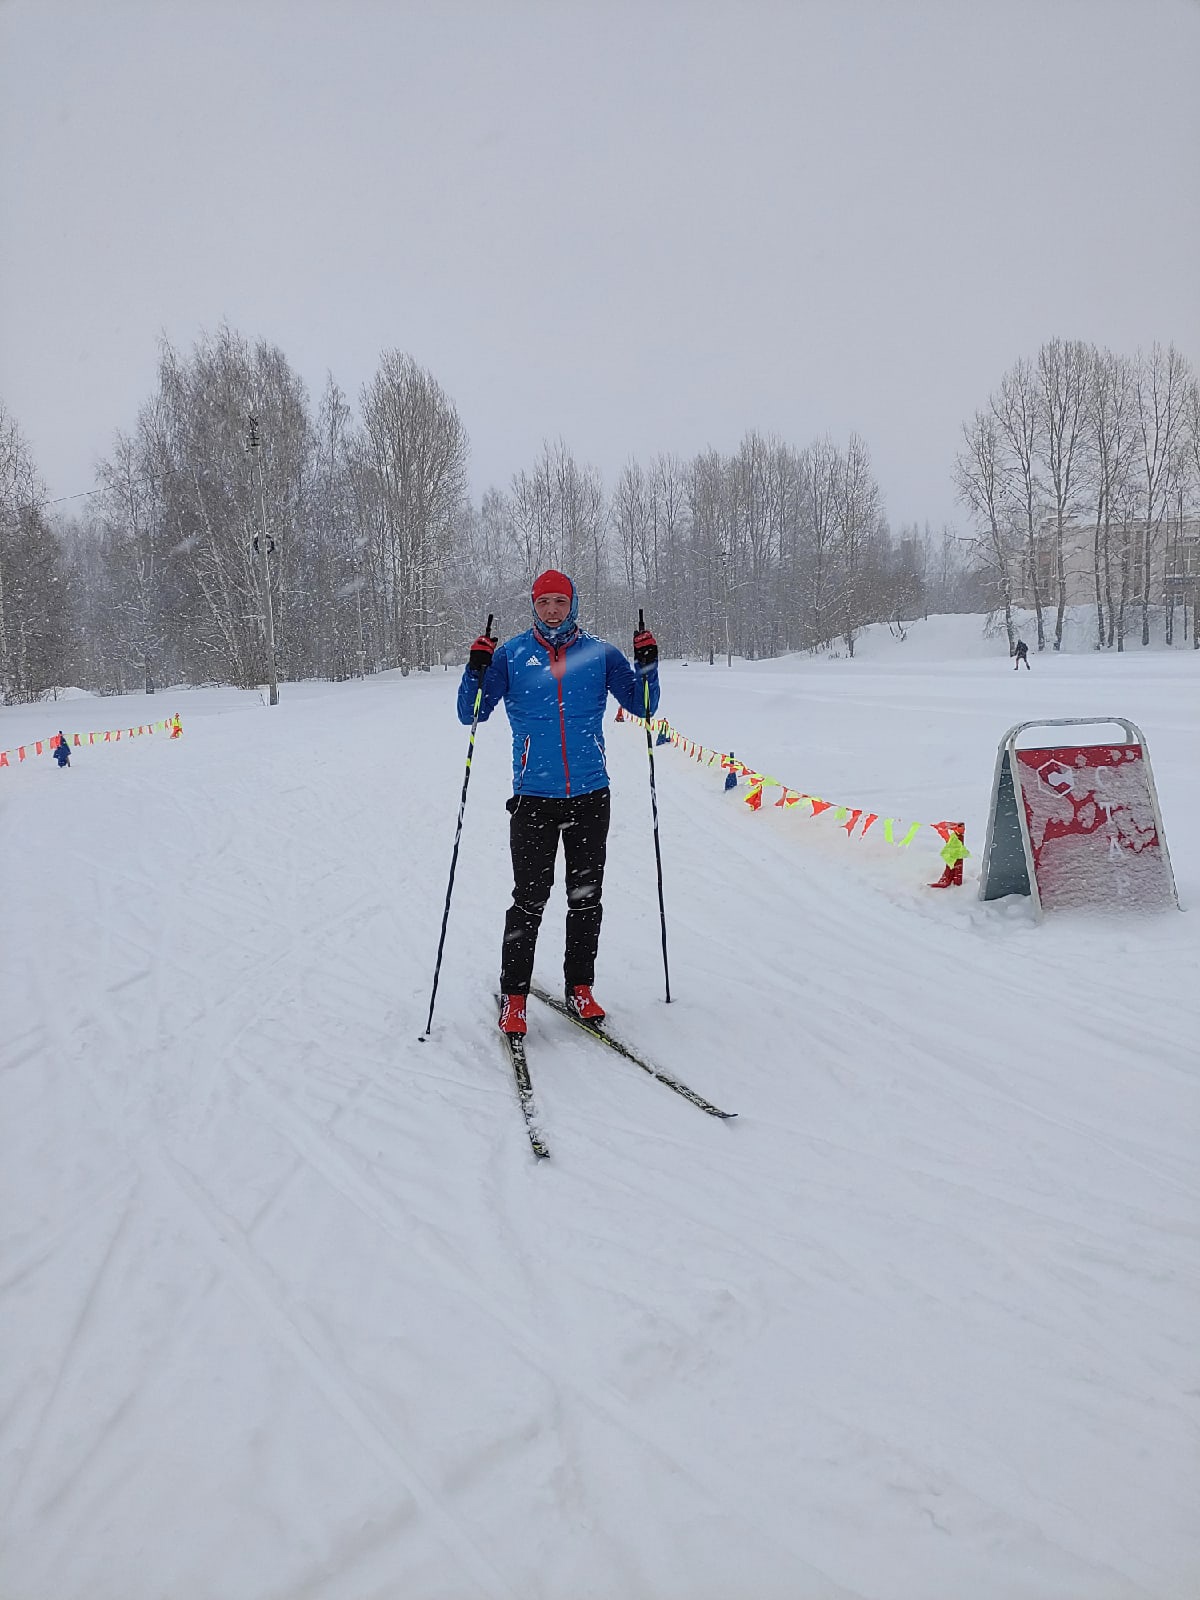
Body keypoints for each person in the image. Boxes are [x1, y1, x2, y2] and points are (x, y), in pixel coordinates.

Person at [458, 570, 660, 1035]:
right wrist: (476, 669)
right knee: (528, 901)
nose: (553, 609)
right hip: (534, 799)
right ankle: (514, 997)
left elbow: (644, 705)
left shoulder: (600, 653)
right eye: (545, 601)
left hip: (591, 794)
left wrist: (647, 664)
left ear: (574, 604)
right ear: (533, 604)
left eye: (560, 601)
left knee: (585, 900)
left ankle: (580, 986)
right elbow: (470, 713)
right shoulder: (511, 655)